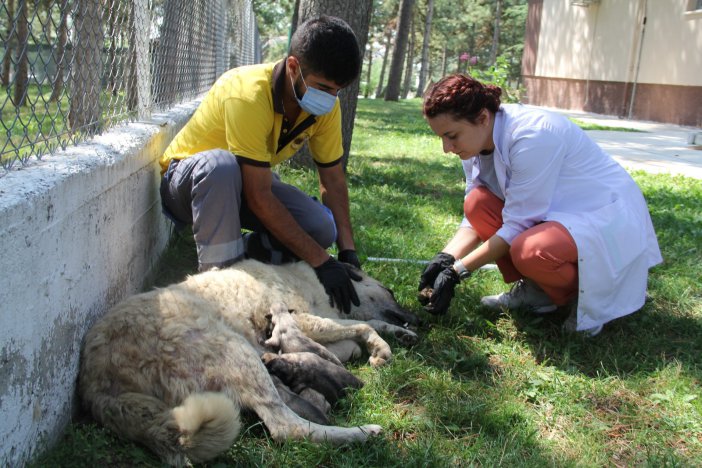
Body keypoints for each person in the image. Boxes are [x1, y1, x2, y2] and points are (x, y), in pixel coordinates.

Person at [417, 74, 662, 336]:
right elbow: (474, 217)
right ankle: (540, 292)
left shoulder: (532, 135)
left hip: (604, 216)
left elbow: (516, 226)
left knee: (531, 251)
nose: (446, 148)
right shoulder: (473, 142)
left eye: (451, 136)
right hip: (556, 214)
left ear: (483, 118)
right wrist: (445, 258)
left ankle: (592, 298)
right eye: (442, 138)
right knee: (477, 203)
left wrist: (457, 272)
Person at [159, 16, 363, 313]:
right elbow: (258, 195)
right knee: (221, 165)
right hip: (189, 185)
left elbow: (332, 180)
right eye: (322, 87)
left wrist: (346, 251)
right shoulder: (247, 92)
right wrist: (321, 261)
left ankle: (249, 250)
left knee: (321, 228)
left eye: (337, 90)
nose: (330, 99)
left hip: (243, 185)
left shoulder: (326, 106)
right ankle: (222, 286)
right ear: (293, 67)